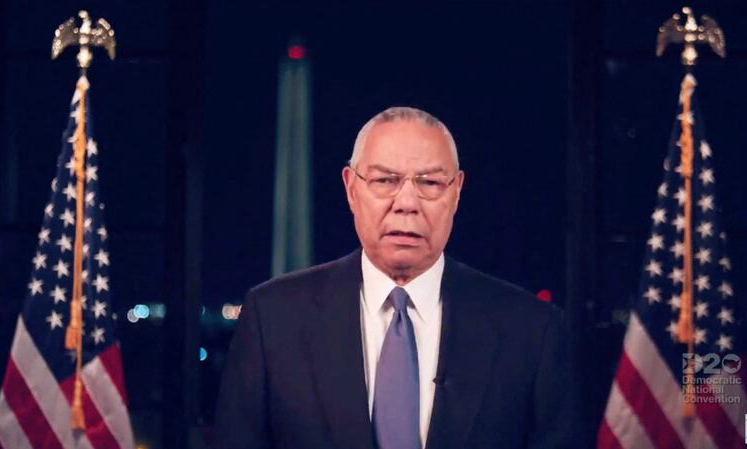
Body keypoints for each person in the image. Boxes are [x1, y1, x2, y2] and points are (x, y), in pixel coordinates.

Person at [214, 107, 580, 449]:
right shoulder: (272, 317)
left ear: (456, 193)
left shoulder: (532, 330)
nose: (406, 202)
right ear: (351, 189)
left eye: (430, 184)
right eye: (385, 180)